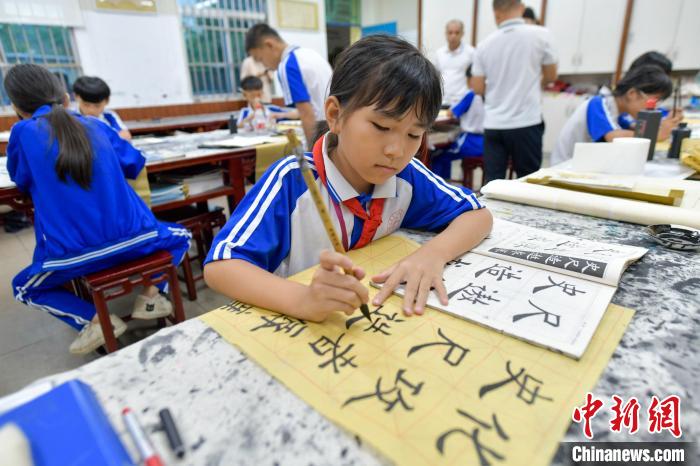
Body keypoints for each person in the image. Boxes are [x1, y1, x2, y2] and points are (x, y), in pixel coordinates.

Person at [203, 35, 492, 321]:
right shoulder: (292, 182)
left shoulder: (406, 176)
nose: (396, 150)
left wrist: (433, 254)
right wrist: (302, 299)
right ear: (335, 115)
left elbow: (478, 216)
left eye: (414, 134)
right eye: (381, 126)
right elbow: (221, 267)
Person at [5, 64, 191, 355]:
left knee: (24, 287)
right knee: (183, 237)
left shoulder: (22, 133)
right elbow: (134, 163)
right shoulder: (96, 125)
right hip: (136, 240)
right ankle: (152, 294)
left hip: (74, 256)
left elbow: (21, 178)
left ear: (16, 107)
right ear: (66, 98)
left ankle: (95, 321)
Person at [470, 0, 558, 183]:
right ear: (521, 8)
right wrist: (531, 85)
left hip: (494, 124)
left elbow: (477, 88)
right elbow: (551, 76)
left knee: (493, 183)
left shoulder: (484, 45)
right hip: (526, 122)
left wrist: (497, 92)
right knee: (528, 181)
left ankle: (493, 212)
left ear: (495, 13)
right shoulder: (541, 35)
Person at [551, 65, 673, 166]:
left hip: (586, 164)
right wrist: (655, 135)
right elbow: (613, 137)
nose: (655, 107)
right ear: (632, 93)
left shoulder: (620, 112)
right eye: (655, 101)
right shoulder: (598, 103)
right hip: (565, 167)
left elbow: (633, 128)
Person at [245, 23, 332, 147]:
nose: (264, 65)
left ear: (269, 45)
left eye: (260, 59)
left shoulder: (287, 65)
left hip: (322, 137)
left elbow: (307, 114)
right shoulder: (310, 54)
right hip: (336, 129)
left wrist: (312, 153)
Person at [431, 65, 485, 180]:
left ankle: (441, 185)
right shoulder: (489, 94)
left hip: (470, 141)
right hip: (485, 142)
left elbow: (452, 113)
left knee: (438, 155)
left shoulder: (471, 94)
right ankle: (447, 183)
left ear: (471, 79)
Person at [73, 76, 131, 140]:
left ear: (107, 101)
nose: (91, 110)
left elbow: (126, 137)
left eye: (97, 106)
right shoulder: (70, 117)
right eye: (86, 105)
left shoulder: (109, 116)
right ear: (76, 97)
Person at [433, 20, 475, 106]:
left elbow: (474, 79)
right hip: (443, 101)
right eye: (450, 32)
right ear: (446, 33)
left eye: (457, 33)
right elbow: (435, 77)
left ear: (462, 34)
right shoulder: (439, 53)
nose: (453, 36)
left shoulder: (471, 53)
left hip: (462, 102)